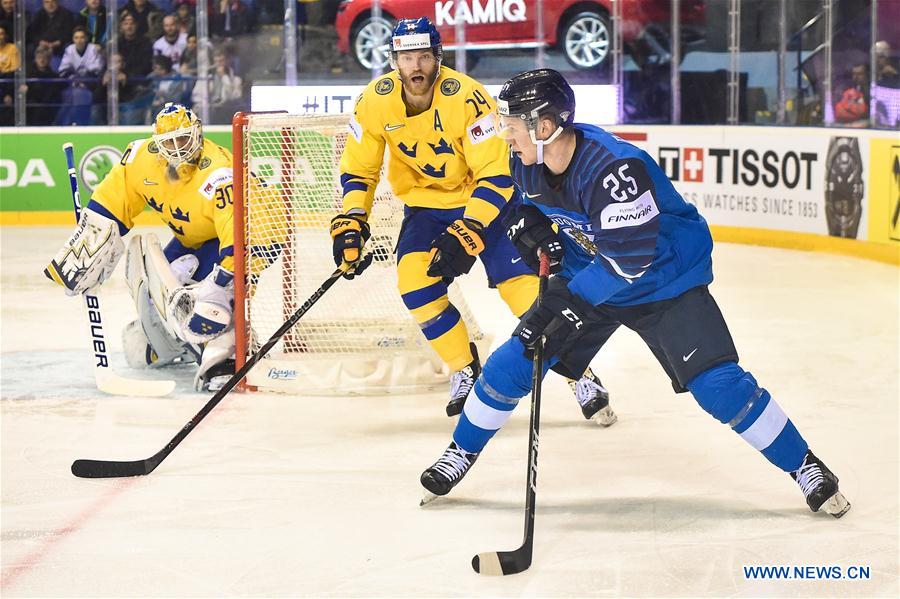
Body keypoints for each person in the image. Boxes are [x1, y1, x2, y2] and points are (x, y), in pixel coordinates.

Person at [420, 69, 851, 520]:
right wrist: (527, 226)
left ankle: (805, 465)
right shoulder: (525, 158)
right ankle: (461, 452)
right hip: (589, 273)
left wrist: (569, 303)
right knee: (516, 359)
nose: (505, 136)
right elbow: (522, 203)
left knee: (718, 386)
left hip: (662, 283)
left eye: (511, 126)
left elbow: (629, 261)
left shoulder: (613, 170)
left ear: (543, 127)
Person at [331, 18, 616, 424]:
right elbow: (359, 170)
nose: (416, 67)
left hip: (491, 208)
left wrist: (468, 228)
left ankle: (580, 375)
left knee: (527, 298)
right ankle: (465, 368)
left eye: (424, 57)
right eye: (407, 57)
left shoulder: (466, 97)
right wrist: (353, 217)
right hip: (427, 210)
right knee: (415, 282)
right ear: (394, 60)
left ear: (437, 57)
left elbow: (497, 175)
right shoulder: (374, 102)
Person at [44, 103, 238, 392]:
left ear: (197, 133)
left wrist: (224, 279)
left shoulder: (218, 172)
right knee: (152, 285)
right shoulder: (139, 159)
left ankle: (225, 356)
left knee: (209, 301)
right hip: (192, 241)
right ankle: (174, 344)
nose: (177, 149)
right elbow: (112, 204)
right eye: (168, 142)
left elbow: (237, 233)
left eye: (183, 139)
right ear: (156, 143)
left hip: (244, 240)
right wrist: (86, 251)